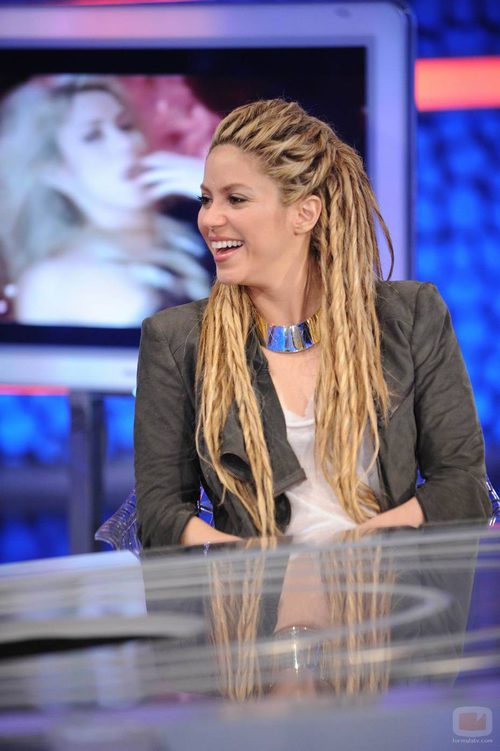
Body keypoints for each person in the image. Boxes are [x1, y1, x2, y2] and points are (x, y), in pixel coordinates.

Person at [134, 98, 490, 549]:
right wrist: (255, 563)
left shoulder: (411, 316)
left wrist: (356, 551)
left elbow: (462, 486)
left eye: (235, 199)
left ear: (305, 213)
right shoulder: (176, 341)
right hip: (251, 590)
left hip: (387, 585)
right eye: (206, 199)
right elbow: (161, 514)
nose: (209, 218)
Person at [0, 75, 214, 325]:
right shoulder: (55, 279)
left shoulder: (196, 226)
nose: (126, 144)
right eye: (93, 136)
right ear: (53, 170)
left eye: (125, 126)